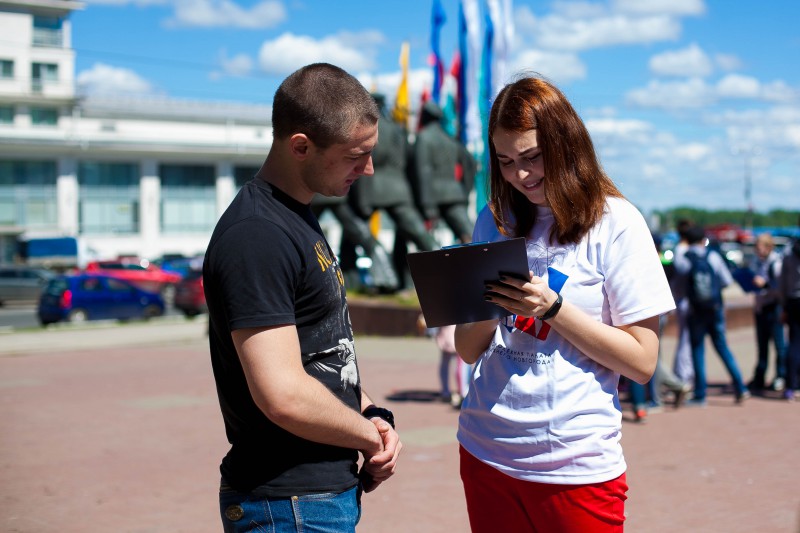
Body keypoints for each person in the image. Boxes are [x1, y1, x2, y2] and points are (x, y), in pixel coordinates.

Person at [453, 75, 674, 532]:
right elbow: (468, 349)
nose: (521, 175)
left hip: (574, 465)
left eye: (532, 157)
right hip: (485, 448)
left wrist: (553, 309)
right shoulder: (494, 219)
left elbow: (642, 362)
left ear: (566, 143)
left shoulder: (617, 223)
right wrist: (490, 302)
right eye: (506, 161)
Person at [203, 63, 402, 533]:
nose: (368, 169)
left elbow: (322, 354)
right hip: (286, 504)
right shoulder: (257, 234)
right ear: (300, 147)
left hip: (313, 499)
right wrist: (368, 436)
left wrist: (373, 414)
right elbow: (284, 395)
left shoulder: (295, 216)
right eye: (355, 156)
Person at [674, 225, 749, 406]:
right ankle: (740, 387)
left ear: (687, 240)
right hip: (715, 309)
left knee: (697, 351)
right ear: (703, 240)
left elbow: (679, 288)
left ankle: (700, 394)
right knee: (722, 347)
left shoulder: (684, 260)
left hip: (695, 311)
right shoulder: (713, 256)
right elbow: (727, 281)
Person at [409, 100, 477, 244]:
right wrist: (464, 190)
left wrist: (426, 203)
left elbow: (422, 171)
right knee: (470, 236)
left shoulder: (423, 138)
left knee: (417, 235)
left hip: (431, 197)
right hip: (454, 195)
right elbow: (471, 164)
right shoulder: (449, 139)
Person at [747, 232, 787, 393]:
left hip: (773, 307)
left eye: (760, 248)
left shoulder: (776, 263)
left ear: (769, 247)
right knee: (762, 345)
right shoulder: (757, 262)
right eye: (756, 248)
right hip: (761, 307)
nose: (757, 251)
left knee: (779, 345)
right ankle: (760, 377)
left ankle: (781, 376)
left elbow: (781, 287)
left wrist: (764, 285)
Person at [671, 219, 695, 384]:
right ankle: (683, 375)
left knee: (685, 339)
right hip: (688, 300)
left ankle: (682, 374)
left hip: (682, 299)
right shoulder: (688, 250)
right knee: (686, 340)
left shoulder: (679, 250)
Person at [779, 223, 800, 401]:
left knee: (794, 343)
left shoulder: (789, 250)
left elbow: (783, 282)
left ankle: (791, 386)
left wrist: (784, 305)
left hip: (793, 300)